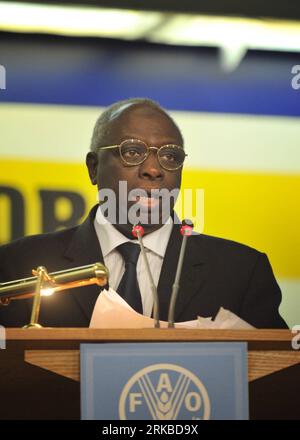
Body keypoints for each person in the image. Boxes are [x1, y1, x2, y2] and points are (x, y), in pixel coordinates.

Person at [0, 98, 287, 328]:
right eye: (133, 152)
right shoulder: (18, 265)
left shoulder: (241, 271)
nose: (154, 169)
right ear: (93, 167)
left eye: (170, 156)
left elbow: (277, 383)